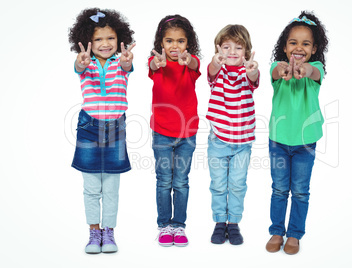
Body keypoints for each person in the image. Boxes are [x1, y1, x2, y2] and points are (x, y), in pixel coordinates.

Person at [68, 8, 135, 254]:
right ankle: (93, 231)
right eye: (98, 39)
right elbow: (78, 66)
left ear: (119, 40)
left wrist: (127, 61)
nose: (105, 44)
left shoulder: (122, 61)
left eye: (110, 38)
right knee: (91, 186)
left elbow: (128, 67)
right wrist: (80, 62)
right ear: (87, 41)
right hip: (89, 129)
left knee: (111, 187)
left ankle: (109, 232)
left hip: (116, 129)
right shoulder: (86, 62)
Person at [265, 11, 329, 255]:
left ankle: (294, 234)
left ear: (314, 49)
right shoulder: (277, 67)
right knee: (279, 189)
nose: (298, 48)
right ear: (285, 46)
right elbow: (274, 73)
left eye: (305, 43)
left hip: (305, 142)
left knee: (300, 190)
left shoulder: (316, 69)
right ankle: (277, 231)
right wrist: (283, 71)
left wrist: (305, 70)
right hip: (278, 141)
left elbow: (314, 74)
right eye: (293, 42)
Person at [148, 14, 201, 247]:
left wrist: (188, 60)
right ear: (161, 43)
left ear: (187, 43)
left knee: (181, 181)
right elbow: (151, 66)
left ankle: (179, 225)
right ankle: (164, 226)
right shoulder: (157, 63)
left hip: (187, 134)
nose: (174, 46)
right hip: (161, 132)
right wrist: (155, 63)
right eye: (169, 41)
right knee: (163, 181)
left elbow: (195, 65)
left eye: (180, 41)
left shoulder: (191, 63)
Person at [206, 25, 259, 245]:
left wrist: (252, 69)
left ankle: (234, 223)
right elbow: (210, 71)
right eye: (226, 47)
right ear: (218, 50)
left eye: (238, 47)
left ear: (246, 52)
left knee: (237, 184)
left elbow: (254, 77)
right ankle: (220, 222)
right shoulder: (219, 71)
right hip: (219, 138)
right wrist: (216, 62)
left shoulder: (247, 73)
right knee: (218, 184)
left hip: (243, 142)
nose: (232, 52)